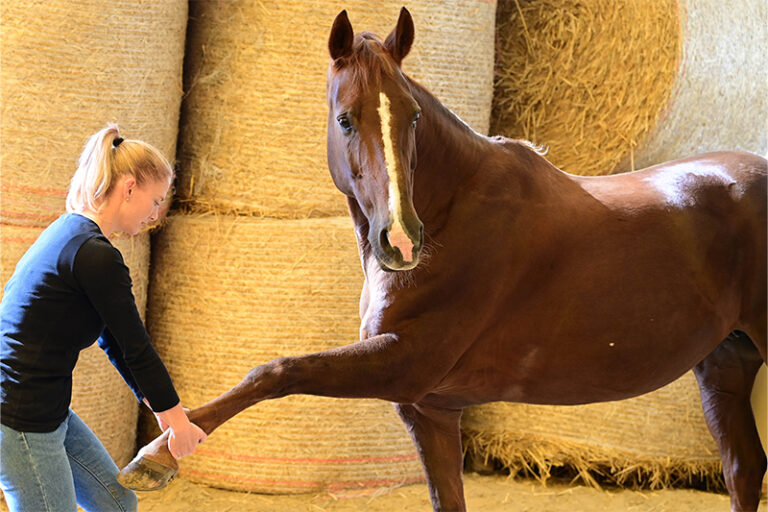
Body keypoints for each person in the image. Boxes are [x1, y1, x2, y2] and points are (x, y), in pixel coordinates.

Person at [0, 124, 207, 512]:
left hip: (48, 406)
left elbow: (113, 339)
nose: (155, 214)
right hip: (19, 417)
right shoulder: (95, 254)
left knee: (115, 504)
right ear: (129, 188)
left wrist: (161, 411)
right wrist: (178, 422)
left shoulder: (70, 233)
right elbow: (136, 347)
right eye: (155, 199)